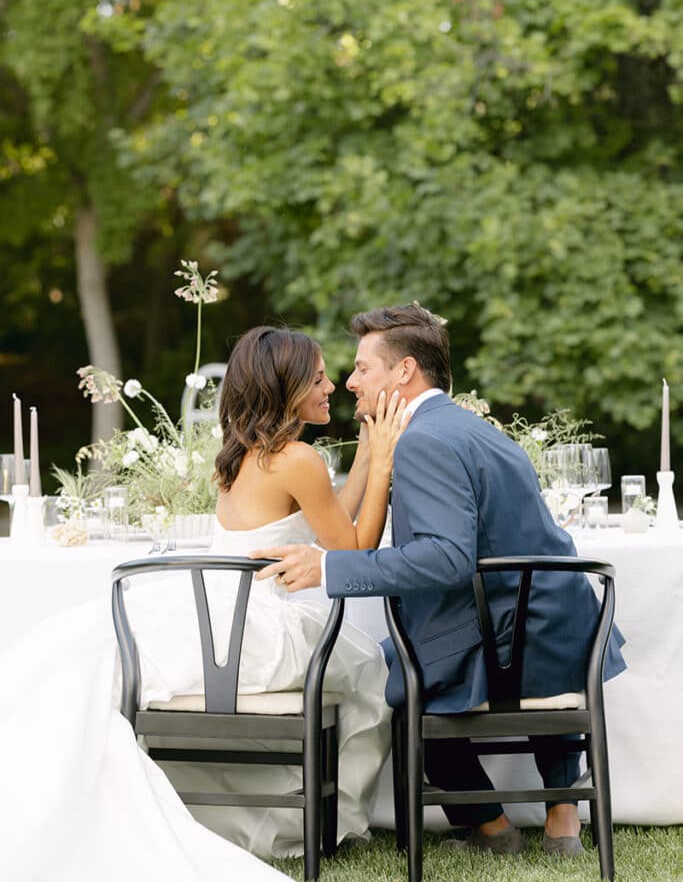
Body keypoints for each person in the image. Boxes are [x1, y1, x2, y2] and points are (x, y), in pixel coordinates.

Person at [0, 325, 405, 881]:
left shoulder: (245, 455)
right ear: (286, 389)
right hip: (250, 632)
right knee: (370, 667)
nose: (331, 386)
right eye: (317, 379)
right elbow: (354, 552)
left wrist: (366, 454)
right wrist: (382, 466)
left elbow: (332, 523)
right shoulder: (298, 459)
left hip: (217, 620)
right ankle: (323, 818)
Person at [252, 303, 627, 857]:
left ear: (404, 371)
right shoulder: (476, 429)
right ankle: (561, 816)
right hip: (567, 633)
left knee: (385, 675)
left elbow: (447, 559)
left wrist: (327, 567)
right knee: (395, 653)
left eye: (363, 368)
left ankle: (491, 828)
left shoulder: (423, 440)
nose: (350, 382)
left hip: (511, 646)